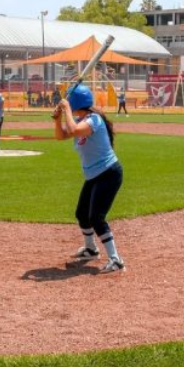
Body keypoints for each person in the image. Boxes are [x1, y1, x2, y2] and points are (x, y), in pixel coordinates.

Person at [53, 84, 126, 274]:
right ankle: (91, 249)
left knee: (96, 217)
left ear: (76, 103)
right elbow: (61, 136)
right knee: (82, 214)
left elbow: (76, 131)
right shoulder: (80, 119)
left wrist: (66, 108)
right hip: (94, 175)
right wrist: (58, 118)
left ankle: (115, 259)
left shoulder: (93, 120)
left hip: (108, 173)